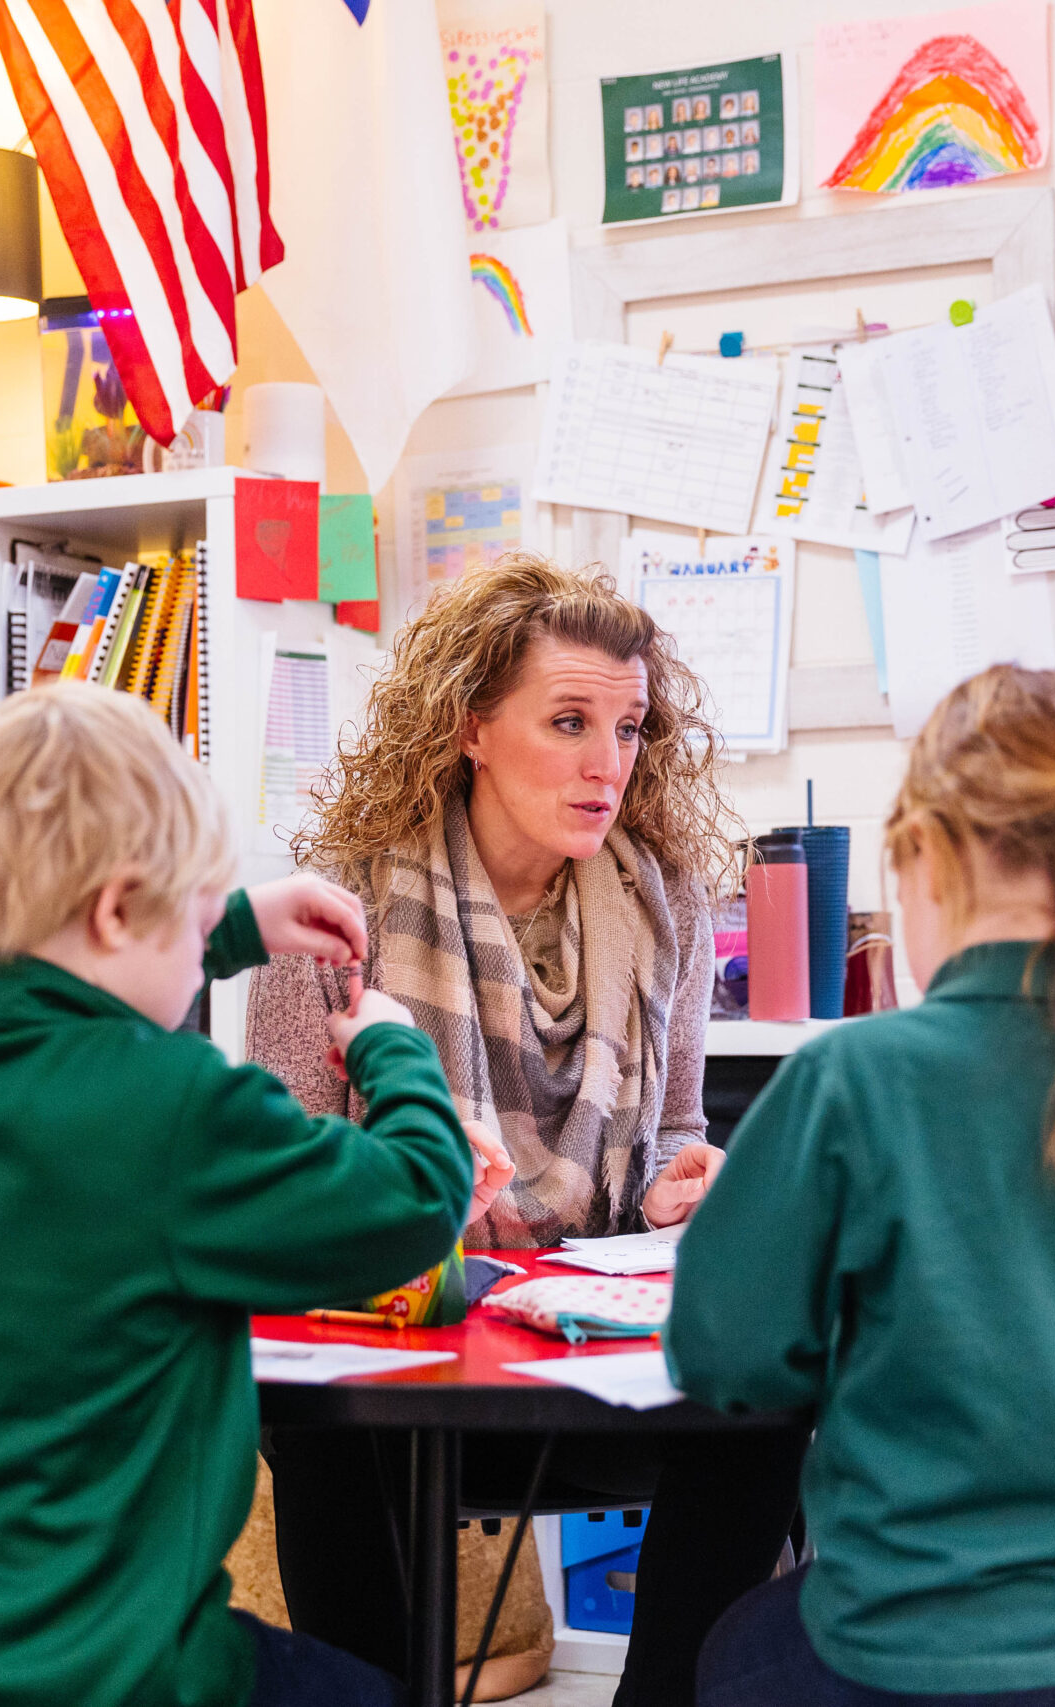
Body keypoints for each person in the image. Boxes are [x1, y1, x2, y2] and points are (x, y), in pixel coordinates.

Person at [0, 684, 501, 1707]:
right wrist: (393, 1049)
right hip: (110, 1670)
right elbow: (411, 1200)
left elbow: (71, 975)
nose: (199, 938)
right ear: (114, 909)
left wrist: (223, 928)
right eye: (187, 911)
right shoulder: (178, 1108)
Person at [247, 555, 807, 1707]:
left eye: (631, 727)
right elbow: (279, 1183)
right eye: (568, 722)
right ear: (469, 729)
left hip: (592, 1354)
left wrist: (680, 1183)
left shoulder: (664, 904)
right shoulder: (334, 906)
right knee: (312, 1429)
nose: (609, 765)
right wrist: (402, 1193)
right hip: (407, 1356)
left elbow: (674, 1132)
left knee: (771, 1396)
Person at [672, 664, 1055, 1707]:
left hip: (918, 1651)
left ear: (933, 857)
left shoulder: (853, 1078)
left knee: (731, 1653)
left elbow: (723, 1354)